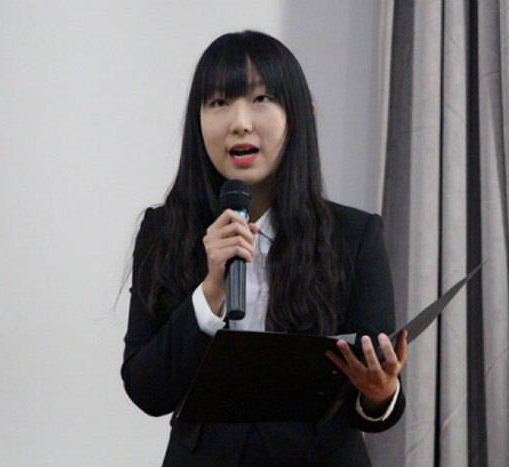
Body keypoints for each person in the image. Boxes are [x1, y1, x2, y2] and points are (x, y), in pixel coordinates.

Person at [121, 30, 408, 467]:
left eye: (261, 99)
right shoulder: (164, 231)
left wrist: (380, 395)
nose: (240, 122)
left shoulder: (354, 234)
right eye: (219, 102)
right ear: (197, 121)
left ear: (300, 114)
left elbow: (374, 396)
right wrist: (209, 292)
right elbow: (147, 391)